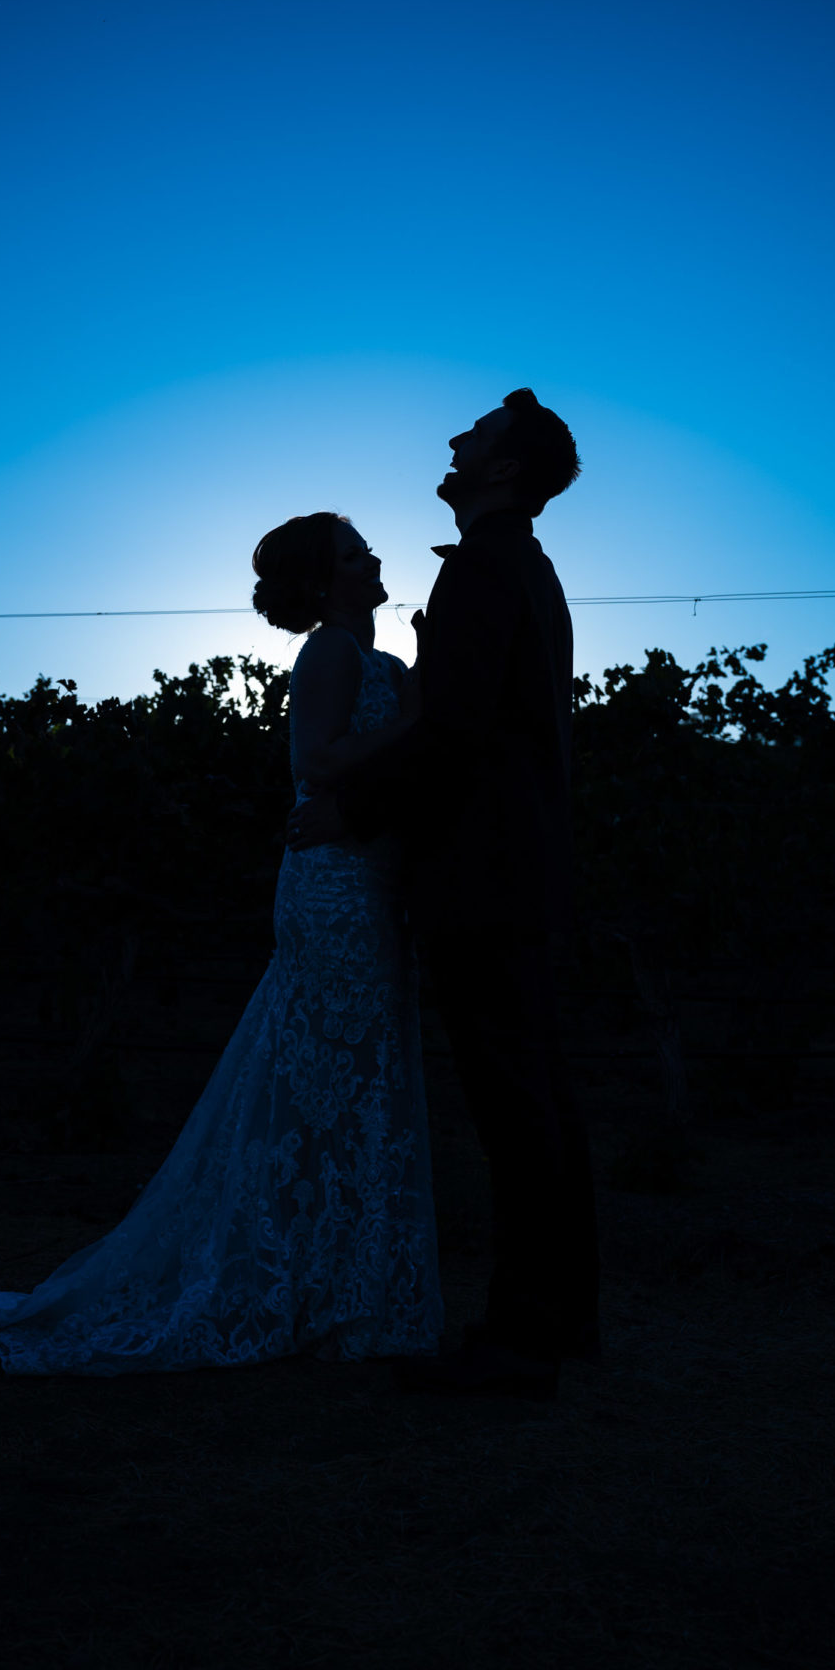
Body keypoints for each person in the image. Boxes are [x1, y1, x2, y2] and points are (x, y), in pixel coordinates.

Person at [0, 514, 444, 1375]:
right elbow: (317, 763)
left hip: (372, 887)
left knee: (358, 1077)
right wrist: (419, 719)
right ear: (320, 583)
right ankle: (311, 1283)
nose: (372, 556)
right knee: (324, 1076)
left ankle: (342, 1280)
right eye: (352, 552)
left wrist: (417, 709)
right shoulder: (332, 654)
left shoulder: (380, 663)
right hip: (335, 889)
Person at [288, 388, 601, 1400]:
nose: (457, 440)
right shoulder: (525, 570)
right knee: (541, 1099)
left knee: (516, 1108)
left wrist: (351, 807)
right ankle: (562, 1319)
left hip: (483, 876)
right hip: (522, 872)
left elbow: (456, 732)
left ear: (502, 472)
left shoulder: (482, 573)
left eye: (475, 437)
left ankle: (521, 1341)